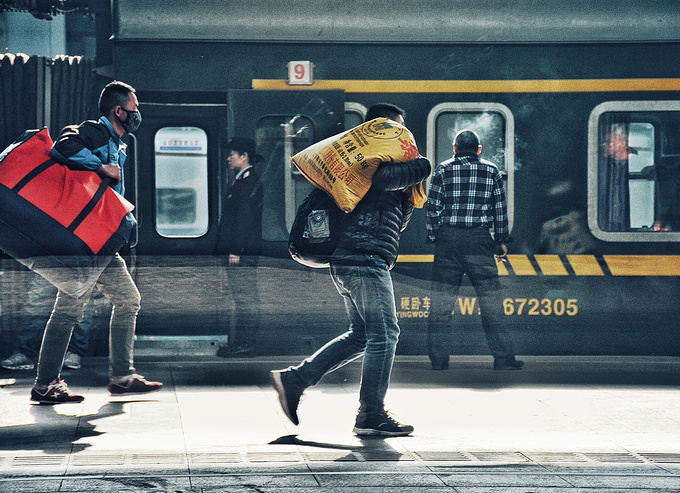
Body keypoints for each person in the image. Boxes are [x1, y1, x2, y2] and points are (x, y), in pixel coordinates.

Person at [271, 103, 431, 436]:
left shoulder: (364, 170)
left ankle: (295, 379)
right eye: (397, 132)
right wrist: (422, 165)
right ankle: (370, 414)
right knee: (385, 334)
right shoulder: (374, 165)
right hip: (363, 259)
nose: (403, 140)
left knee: (363, 335)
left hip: (355, 259)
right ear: (378, 132)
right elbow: (388, 178)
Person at [29, 80, 162, 404]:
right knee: (71, 309)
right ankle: (49, 383)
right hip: (87, 240)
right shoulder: (95, 131)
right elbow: (64, 146)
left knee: (122, 301)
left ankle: (120, 376)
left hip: (100, 239)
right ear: (119, 110)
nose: (137, 114)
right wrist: (100, 166)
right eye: (134, 108)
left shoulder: (118, 142)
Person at [426, 129, 523, 371]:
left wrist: (435, 235)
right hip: (479, 240)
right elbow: (499, 209)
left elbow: (432, 207)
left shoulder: (443, 169)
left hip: (448, 239)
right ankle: (502, 358)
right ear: (479, 150)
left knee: (441, 305)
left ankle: (439, 360)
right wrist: (500, 240)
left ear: (454, 148)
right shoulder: (491, 170)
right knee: (491, 303)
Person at [214, 137, 264, 358]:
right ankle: (242, 342)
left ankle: (247, 344)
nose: (228, 158)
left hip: (242, 253)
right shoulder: (242, 181)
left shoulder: (249, 182)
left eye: (232, 154)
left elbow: (244, 220)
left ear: (244, 157)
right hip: (240, 251)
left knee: (245, 299)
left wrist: (236, 249)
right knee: (241, 298)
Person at [0, 273, 94, 371]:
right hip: (57, 260)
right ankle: (25, 352)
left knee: (81, 302)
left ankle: (72, 352)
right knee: (38, 301)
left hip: (78, 262)